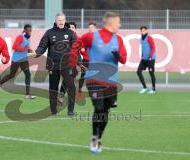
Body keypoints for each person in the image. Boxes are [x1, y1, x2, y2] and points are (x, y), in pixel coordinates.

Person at [80, 12, 127, 153]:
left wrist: (117, 55)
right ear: (111, 23)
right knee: (99, 108)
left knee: (106, 111)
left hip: (111, 82)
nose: (120, 25)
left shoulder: (118, 39)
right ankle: (94, 137)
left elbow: (124, 59)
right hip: (94, 79)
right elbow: (76, 45)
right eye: (118, 22)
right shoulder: (91, 36)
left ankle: (99, 138)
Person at [34, 13, 85, 116]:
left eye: (62, 20)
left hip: (67, 65)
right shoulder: (49, 33)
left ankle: (70, 111)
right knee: (53, 88)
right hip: (53, 65)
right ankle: (53, 110)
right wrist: (37, 53)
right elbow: (42, 46)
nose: (61, 22)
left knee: (71, 87)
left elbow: (76, 49)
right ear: (56, 21)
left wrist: (79, 62)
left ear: (64, 21)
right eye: (59, 20)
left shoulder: (70, 33)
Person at [0, 24, 36, 99]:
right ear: (25, 30)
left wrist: (30, 49)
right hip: (16, 59)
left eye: (30, 30)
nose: (30, 32)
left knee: (28, 75)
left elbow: (27, 45)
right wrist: (24, 49)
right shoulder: (20, 37)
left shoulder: (28, 38)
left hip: (24, 59)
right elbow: (14, 47)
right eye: (28, 30)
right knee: (11, 75)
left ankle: (27, 94)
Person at [137, 26, 156, 94]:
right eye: (142, 31)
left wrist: (150, 57)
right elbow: (143, 48)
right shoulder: (141, 39)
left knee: (151, 73)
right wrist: (142, 56)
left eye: (144, 31)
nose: (143, 32)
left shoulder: (149, 38)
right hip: (144, 59)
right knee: (138, 72)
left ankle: (153, 89)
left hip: (150, 59)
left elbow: (153, 47)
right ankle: (144, 87)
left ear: (146, 31)